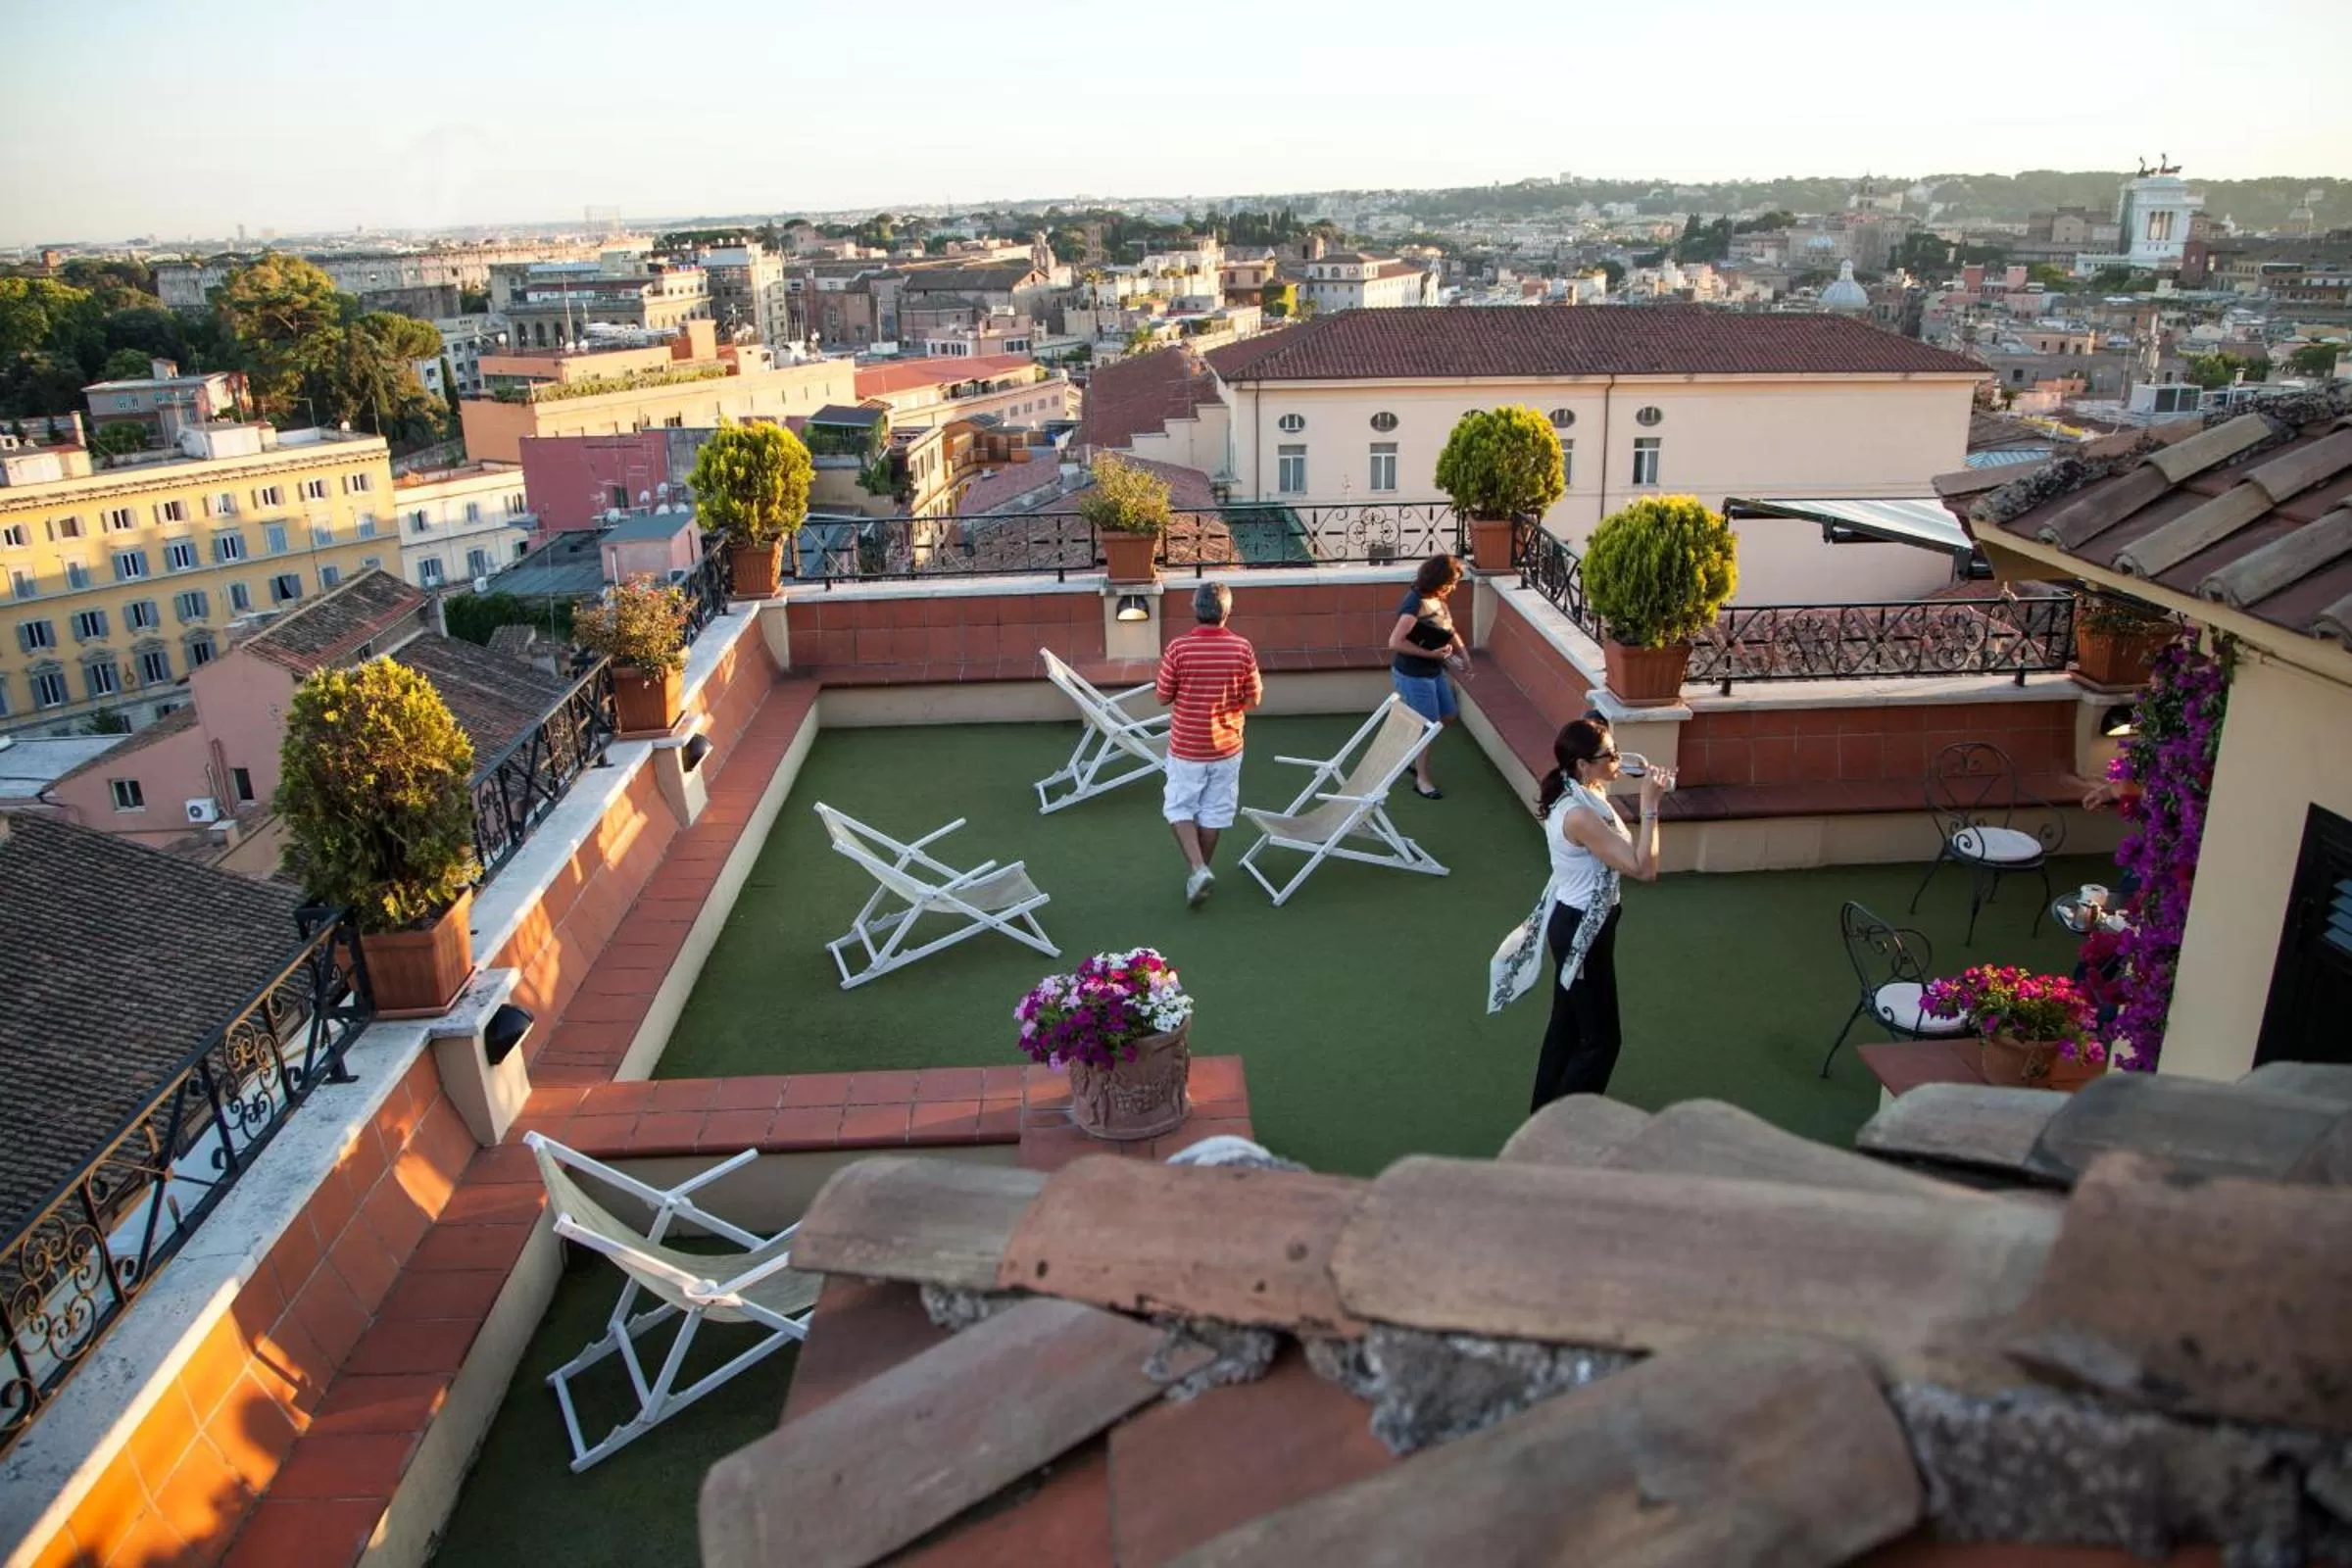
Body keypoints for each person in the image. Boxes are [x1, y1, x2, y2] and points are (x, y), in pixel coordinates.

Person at [1529, 716, 1674, 1111]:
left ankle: (1543, 1112)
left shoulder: (1582, 791)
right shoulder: (1580, 815)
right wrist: (1650, 806)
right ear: (1582, 765)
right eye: (1608, 754)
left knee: (1568, 1024)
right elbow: (1644, 868)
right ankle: (1566, 1124)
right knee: (1602, 1040)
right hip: (1582, 932)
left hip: (1578, 922)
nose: (1617, 758)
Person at [1156, 580, 1263, 906]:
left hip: (1187, 748)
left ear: (1195, 610)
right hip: (1227, 747)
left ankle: (1199, 868)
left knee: (1178, 808)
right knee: (1214, 813)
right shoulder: (1242, 648)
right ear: (1227, 611)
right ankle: (1200, 873)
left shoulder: (1178, 648)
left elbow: (1162, 696)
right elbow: (1254, 698)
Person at [1386, 553, 1470, 799]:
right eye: (1450, 582)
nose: (1453, 588)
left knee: (1448, 714)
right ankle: (1422, 779)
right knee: (1428, 726)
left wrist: (1463, 653)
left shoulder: (1438, 598)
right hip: (1413, 674)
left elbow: (1448, 628)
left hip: (1433, 671)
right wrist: (1430, 654)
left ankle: (1411, 747)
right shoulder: (1414, 604)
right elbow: (1395, 642)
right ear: (1436, 580)